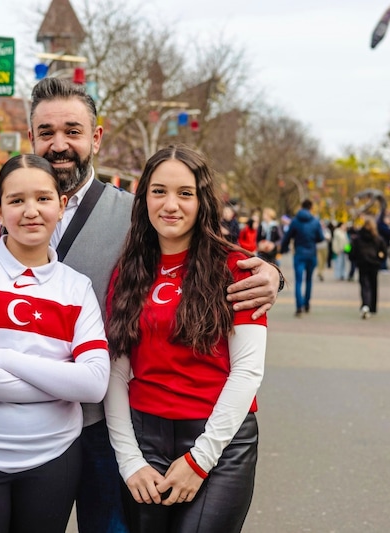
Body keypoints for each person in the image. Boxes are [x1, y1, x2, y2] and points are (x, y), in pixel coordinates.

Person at [0, 78, 282, 533]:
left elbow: (194, 242)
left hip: (107, 424)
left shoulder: (138, 214)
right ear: (30, 139)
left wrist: (270, 272)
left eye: (72, 130)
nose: (59, 143)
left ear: (96, 136)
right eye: (46, 132)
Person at [0, 154, 110, 532]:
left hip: (54, 457)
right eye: (16, 201)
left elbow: (94, 384)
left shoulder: (77, 288)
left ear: (62, 206)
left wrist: (0, 356)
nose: (31, 211)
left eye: (44, 199)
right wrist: (62, 384)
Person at [104, 145, 266, 533]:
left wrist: (199, 460)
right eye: (158, 191)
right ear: (144, 198)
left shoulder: (236, 268)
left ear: (202, 200)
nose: (170, 204)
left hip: (219, 442)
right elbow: (115, 373)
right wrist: (129, 460)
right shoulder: (128, 270)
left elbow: (246, 372)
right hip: (144, 440)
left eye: (184, 193)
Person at [281, 199, 324, 316]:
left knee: (298, 281)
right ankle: (307, 304)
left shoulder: (295, 221)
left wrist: (283, 248)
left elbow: (287, 237)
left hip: (299, 254)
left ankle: (299, 306)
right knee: (309, 280)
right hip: (311, 254)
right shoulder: (315, 221)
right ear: (311, 207)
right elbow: (321, 238)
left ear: (301, 207)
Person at [349, 216, 386, 319]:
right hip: (374, 264)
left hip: (362, 264)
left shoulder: (358, 238)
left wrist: (354, 260)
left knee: (364, 285)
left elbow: (352, 252)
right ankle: (372, 307)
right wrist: (380, 260)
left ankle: (365, 304)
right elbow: (384, 251)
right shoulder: (377, 238)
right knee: (373, 285)